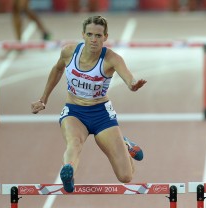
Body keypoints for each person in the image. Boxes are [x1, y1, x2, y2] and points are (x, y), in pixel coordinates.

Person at [31, 16, 147, 193]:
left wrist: (134, 85)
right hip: (74, 112)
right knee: (74, 143)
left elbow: (129, 79)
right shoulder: (69, 52)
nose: (94, 39)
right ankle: (68, 171)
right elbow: (57, 69)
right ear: (83, 35)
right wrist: (43, 99)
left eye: (98, 36)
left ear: (105, 37)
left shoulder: (112, 59)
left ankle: (125, 145)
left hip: (101, 114)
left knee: (126, 177)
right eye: (90, 34)